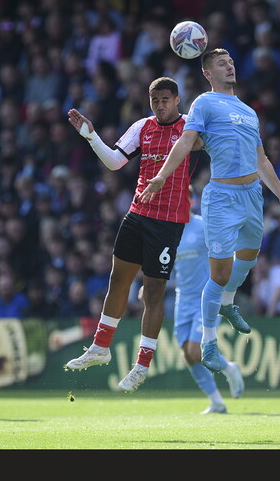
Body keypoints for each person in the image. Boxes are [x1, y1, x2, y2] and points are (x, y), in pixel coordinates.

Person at [140, 48, 280, 374]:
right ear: (208, 73)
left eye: (231, 62)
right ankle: (209, 343)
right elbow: (187, 142)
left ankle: (227, 304)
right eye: (221, 64)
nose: (229, 66)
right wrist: (161, 176)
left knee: (249, 259)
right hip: (221, 197)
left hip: (252, 196)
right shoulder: (204, 103)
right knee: (220, 273)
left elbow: (262, 160)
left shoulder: (248, 111)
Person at [63, 76, 202, 393]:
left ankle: (142, 366)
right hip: (138, 214)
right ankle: (100, 347)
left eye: (166, 99)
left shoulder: (192, 129)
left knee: (153, 292)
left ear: (178, 100)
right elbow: (114, 162)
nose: (160, 105)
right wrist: (91, 136)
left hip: (168, 221)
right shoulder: (142, 127)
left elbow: (217, 142)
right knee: (118, 280)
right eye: (155, 100)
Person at [167, 205, 244, 413]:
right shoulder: (170, 230)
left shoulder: (202, 226)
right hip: (182, 299)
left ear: (189, 200)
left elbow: (227, 248)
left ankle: (228, 369)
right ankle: (217, 402)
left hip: (205, 297)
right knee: (187, 354)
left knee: (195, 349)